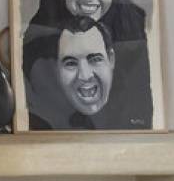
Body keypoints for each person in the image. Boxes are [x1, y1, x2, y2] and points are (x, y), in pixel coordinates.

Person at [24, 15, 152, 131]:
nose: (85, 76)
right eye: (71, 63)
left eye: (95, 59)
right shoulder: (40, 123)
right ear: (57, 68)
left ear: (111, 59)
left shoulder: (141, 113)